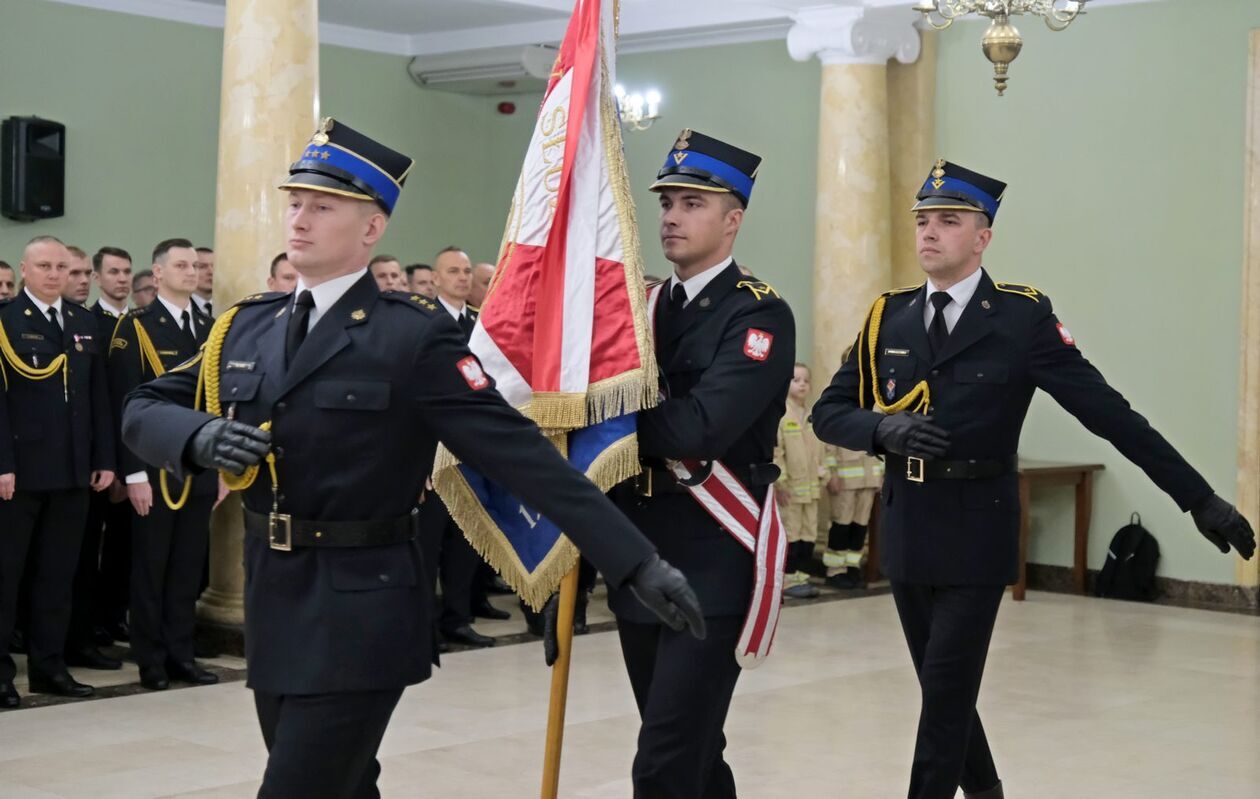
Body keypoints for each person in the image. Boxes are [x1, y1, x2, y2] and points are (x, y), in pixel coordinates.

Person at [120, 117, 704, 798]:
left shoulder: (412, 338)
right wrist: (195, 438)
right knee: (341, 784)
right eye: (295, 202)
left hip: (364, 609)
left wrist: (634, 559)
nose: (299, 219)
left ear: (371, 229)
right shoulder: (247, 325)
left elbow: (520, 455)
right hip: (275, 600)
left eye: (323, 206)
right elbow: (141, 406)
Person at [812, 159, 1257, 799]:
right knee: (947, 690)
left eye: (949, 220)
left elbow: (1112, 416)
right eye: (922, 221)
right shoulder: (890, 317)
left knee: (942, 701)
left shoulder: (1019, 320)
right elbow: (830, 411)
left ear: (983, 236)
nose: (929, 233)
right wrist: (884, 432)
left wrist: (1198, 498)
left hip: (977, 531)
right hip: (909, 523)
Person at [605, 129, 795, 798]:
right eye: (667, 203)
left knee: (663, 758)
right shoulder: (640, 310)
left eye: (691, 203)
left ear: (732, 219)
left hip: (712, 553)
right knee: (693, 747)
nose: (671, 217)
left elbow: (700, 426)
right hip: (636, 548)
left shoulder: (758, 314)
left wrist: (602, 410)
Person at [0, 235, 116, 709]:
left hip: (73, 473)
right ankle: (2, 676)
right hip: (19, 475)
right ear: (25, 271)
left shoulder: (83, 322)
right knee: (6, 579)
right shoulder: (5, 321)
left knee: (58, 576)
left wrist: (105, 458)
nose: (54, 274)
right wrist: (1, 464)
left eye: (61, 267)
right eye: (44, 266)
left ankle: (49, 669)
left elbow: (98, 400)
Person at [109, 238, 218, 691]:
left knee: (188, 566)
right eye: (180, 265)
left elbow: (217, 398)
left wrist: (222, 468)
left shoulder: (211, 326)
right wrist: (133, 473)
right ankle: (151, 659)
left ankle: (181, 654)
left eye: (195, 264)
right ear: (157, 274)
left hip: (198, 464)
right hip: (152, 466)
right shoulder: (135, 328)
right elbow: (126, 402)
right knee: (151, 566)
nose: (191, 271)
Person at [419, 244, 496, 648]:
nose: (463, 277)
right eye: (453, 271)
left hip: (470, 454)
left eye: (467, 271)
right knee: (428, 547)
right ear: (435, 279)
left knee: (466, 543)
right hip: (433, 459)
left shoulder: (482, 325)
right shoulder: (422, 322)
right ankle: (423, 627)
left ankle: (458, 617)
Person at [774, 362, 822, 599]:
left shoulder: (812, 415)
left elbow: (820, 451)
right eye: (796, 380)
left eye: (806, 380)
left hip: (811, 490)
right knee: (790, 534)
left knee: (808, 535)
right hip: (790, 491)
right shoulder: (782, 414)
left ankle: (801, 577)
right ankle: (786, 580)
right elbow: (776, 453)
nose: (802, 384)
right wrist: (779, 484)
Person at [193, 246, 215, 318]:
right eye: (202, 266)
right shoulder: (182, 308)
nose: (211, 272)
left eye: (215, 266)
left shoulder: (229, 307)